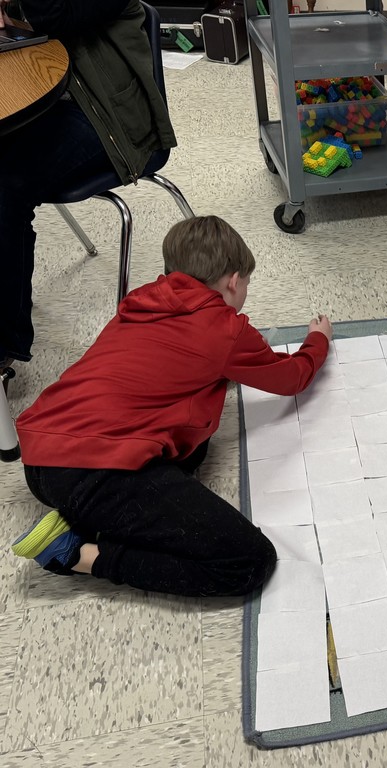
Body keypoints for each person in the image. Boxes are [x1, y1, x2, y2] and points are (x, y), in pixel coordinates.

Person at [10, 215, 333, 597]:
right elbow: (292, 377)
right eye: (247, 283)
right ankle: (77, 554)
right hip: (94, 472)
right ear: (233, 281)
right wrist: (318, 340)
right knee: (249, 560)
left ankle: (91, 515)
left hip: (41, 457)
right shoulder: (226, 330)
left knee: (196, 443)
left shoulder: (141, 300)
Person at [0, 0, 175, 371]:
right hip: (56, 90)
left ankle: (6, 343)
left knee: (9, 187)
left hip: (111, 118)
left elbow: (52, 15)